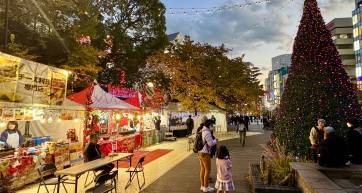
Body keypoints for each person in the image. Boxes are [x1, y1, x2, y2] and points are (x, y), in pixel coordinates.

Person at [198, 119, 217, 192]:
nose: (213, 126)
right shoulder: (207, 132)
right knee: (207, 170)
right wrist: (216, 141)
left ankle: (202, 186)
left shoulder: (202, 130)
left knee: (202, 169)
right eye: (212, 125)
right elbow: (210, 144)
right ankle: (206, 187)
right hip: (205, 153)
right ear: (209, 125)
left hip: (200, 152)